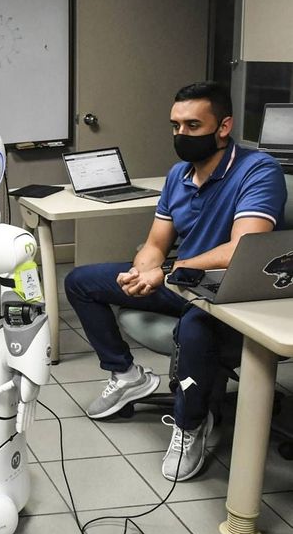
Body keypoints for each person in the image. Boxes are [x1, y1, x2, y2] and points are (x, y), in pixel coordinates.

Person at [65, 81, 286, 482]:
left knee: (194, 327)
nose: (180, 135)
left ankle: (190, 424)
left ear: (223, 126)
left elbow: (243, 248)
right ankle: (127, 376)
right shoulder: (178, 175)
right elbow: (155, 242)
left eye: (192, 125)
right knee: (81, 282)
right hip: (180, 282)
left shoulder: (258, 171)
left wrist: (165, 272)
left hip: (228, 295)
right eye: (175, 126)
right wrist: (141, 270)